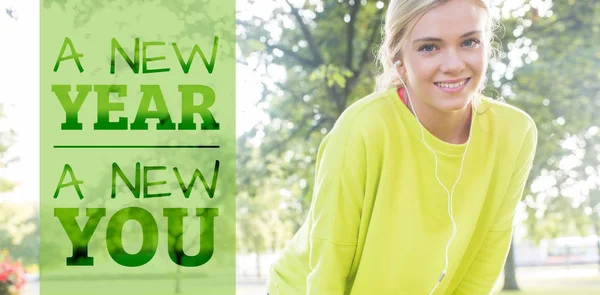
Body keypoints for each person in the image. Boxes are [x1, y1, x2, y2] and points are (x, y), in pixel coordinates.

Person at [267, 0, 538, 294]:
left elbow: (486, 256)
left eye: (469, 42)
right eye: (429, 47)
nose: (454, 65)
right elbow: (330, 257)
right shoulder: (364, 128)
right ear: (399, 58)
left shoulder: (514, 133)